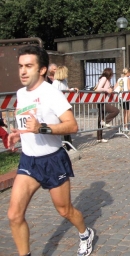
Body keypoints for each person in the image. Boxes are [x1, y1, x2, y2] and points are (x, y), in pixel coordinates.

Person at [6, 45, 94, 256]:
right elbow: (27, 121)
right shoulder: (20, 93)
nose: (23, 71)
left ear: (42, 69)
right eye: (20, 66)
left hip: (52, 161)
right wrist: (19, 132)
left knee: (64, 210)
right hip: (29, 162)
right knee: (14, 215)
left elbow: (72, 126)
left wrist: (41, 128)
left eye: (28, 66)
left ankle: (85, 233)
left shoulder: (52, 93)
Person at [52, 65, 79, 150]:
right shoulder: (55, 83)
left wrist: (73, 89)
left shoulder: (64, 81)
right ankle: (61, 144)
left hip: (64, 106)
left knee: (66, 125)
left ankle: (68, 145)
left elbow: (67, 89)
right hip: (58, 107)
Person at [95, 68, 120, 143]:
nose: (112, 75)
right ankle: (105, 121)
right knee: (115, 110)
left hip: (104, 100)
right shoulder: (104, 78)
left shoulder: (107, 80)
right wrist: (107, 90)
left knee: (100, 118)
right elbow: (98, 88)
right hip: (102, 101)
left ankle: (99, 137)